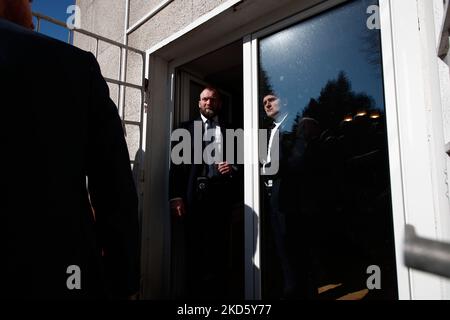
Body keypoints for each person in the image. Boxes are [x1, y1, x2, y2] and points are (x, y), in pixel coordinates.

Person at [1, 0, 140, 299]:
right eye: (29, 2)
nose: (32, 16)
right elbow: (115, 192)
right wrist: (123, 283)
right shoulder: (73, 66)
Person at [169, 87, 240, 299]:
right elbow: (176, 166)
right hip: (194, 200)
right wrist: (176, 197)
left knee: (220, 252)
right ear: (198, 103)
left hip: (221, 200)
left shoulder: (233, 130)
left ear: (220, 103)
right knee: (194, 253)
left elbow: (245, 164)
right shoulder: (184, 129)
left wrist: (234, 167)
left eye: (213, 99)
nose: (209, 102)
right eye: (205, 99)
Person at [262, 93, 320, 299]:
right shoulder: (272, 131)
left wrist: (264, 170)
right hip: (275, 202)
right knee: (284, 258)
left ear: (284, 101)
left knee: (300, 259)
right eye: (264, 103)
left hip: (294, 204)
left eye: (271, 100)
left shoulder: (296, 127)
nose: (267, 104)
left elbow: (297, 163)